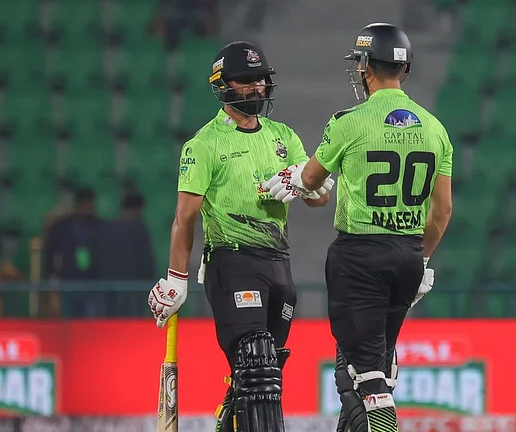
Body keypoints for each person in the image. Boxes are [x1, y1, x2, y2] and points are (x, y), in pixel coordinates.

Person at [262, 23, 453, 432]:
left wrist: (296, 174)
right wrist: (421, 258)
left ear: (366, 65)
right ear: (404, 69)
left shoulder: (348, 121)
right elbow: (443, 212)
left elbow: (311, 181)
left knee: (362, 375)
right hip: (408, 255)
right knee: (366, 364)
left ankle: (382, 414)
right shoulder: (436, 129)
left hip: (360, 257)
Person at [146, 41, 334, 432]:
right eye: (245, 81)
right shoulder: (204, 144)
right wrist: (176, 278)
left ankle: (228, 420)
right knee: (256, 360)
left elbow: (319, 199)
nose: (256, 89)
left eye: (260, 81)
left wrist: (308, 188)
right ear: (223, 85)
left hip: (278, 264)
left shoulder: (284, 136)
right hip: (232, 262)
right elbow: (185, 216)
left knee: (264, 374)